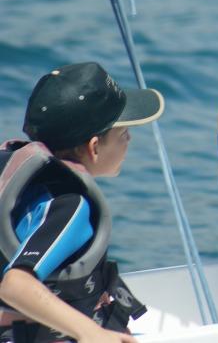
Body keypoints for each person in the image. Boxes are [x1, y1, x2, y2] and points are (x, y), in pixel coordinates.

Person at [0, 62, 164, 342]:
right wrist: (92, 333)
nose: (130, 139)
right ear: (95, 147)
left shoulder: (15, 179)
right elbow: (15, 285)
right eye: (123, 133)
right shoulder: (71, 206)